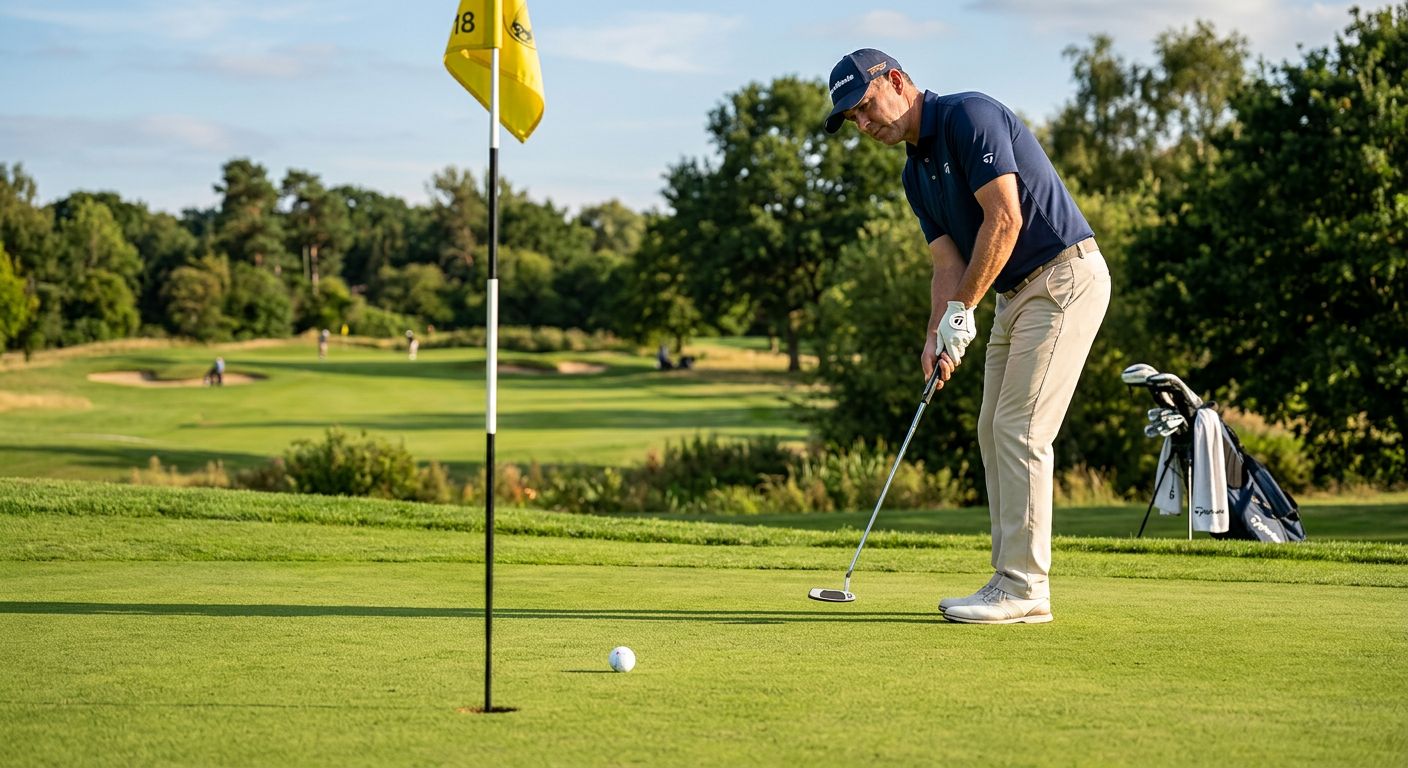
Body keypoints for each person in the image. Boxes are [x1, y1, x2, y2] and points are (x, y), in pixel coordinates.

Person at [824, 49, 1110, 624]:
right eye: (852, 119)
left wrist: (961, 314)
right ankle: (1008, 579)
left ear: (897, 82)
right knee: (992, 429)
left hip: (1063, 277)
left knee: (1021, 429)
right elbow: (946, 264)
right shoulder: (913, 174)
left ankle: (1026, 587)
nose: (863, 123)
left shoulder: (968, 117)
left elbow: (1005, 220)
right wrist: (937, 334)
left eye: (864, 107)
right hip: (1011, 295)